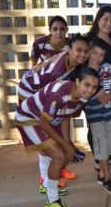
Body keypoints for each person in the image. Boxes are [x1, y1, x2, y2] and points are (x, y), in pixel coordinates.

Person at [15, 67, 100, 207]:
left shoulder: (83, 97)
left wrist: (68, 142)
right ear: (77, 81)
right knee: (59, 156)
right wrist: (64, 144)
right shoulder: (59, 93)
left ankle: (47, 185)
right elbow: (43, 122)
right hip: (29, 118)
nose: (90, 90)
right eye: (87, 85)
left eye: (94, 87)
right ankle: (52, 201)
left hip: (47, 119)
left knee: (66, 152)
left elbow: (65, 117)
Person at [18, 34, 89, 193]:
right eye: (78, 50)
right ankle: (46, 180)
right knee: (46, 136)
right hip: (29, 91)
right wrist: (65, 143)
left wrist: (67, 141)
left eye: (86, 51)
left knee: (53, 137)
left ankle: (50, 177)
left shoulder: (73, 63)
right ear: (69, 49)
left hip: (40, 92)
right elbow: (50, 98)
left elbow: (64, 111)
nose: (82, 54)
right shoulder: (57, 72)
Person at [86, 6, 111, 169]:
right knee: (97, 125)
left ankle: (108, 156)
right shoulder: (89, 40)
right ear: (98, 20)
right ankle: (99, 159)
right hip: (97, 93)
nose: (108, 24)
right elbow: (84, 68)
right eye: (105, 19)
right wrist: (97, 90)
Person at [83, 39, 111, 195]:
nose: (98, 58)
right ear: (89, 53)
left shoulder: (107, 68)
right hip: (95, 117)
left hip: (110, 113)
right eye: (94, 54)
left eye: (101, 55)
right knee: (102, 148)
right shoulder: (84, 73)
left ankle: (101, 175)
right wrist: (96, 92)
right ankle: (107, 179)